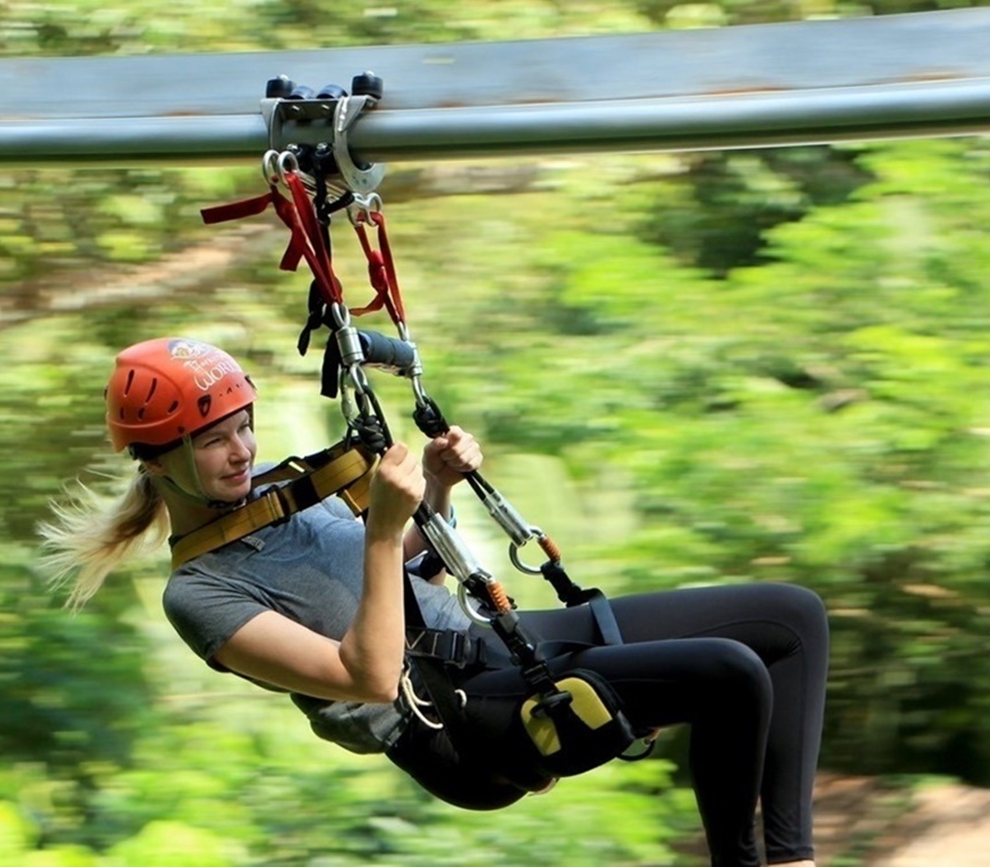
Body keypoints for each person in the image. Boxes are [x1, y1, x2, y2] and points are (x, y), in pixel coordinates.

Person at [41, 336, 829, 867]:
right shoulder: (200, 593)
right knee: (728, 671)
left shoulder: (282, 491)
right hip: (452, 720)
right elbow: (370, 674)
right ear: (157, 460)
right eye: (213, 439)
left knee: (791, 620)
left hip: (491, 641)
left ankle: (792, 856)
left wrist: (438, 489)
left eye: (242, 427)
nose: (241, 450)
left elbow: (416, 570)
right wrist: (384, 529)